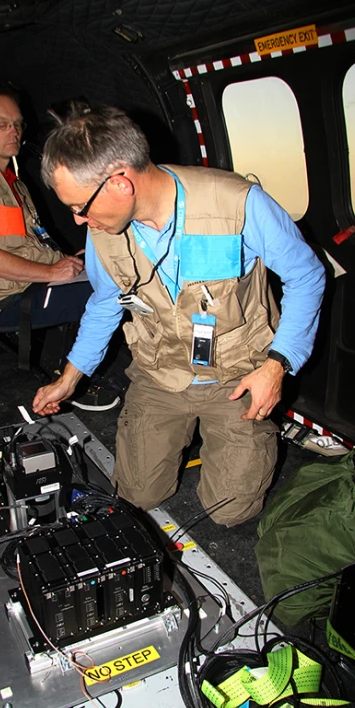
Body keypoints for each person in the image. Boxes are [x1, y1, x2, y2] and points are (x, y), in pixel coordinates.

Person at [32, 103, 326, 527]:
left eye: (80, 205)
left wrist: (277, 366)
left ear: (120, 182)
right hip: (160, 373)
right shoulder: (102, 232)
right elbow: (103, 303)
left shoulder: (238, 204)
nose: (79, 219)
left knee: (230, 512)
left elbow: (307, 276)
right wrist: (68, 379)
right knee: (135, 495)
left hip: (236, 375)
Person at [0, 90, 97, 348]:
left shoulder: (12, 183)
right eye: (3, 124)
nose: (14, 132)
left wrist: (67, 259)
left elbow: (28, 242)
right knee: (107, 293)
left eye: (17, 124)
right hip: (7, 300)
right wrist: (52, 271)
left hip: (34, 283)